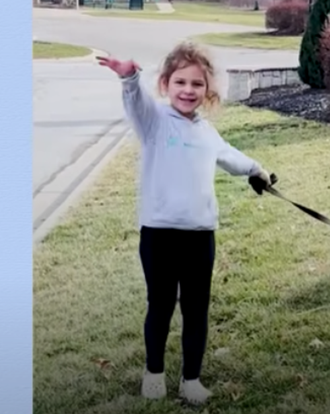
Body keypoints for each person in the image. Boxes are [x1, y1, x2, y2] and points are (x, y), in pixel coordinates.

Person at [97, 43, 272, 405]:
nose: (188, 90)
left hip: (199, 237)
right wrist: (129, 77)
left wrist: (257, 170)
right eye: (180, 82)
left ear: (207, 91)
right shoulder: (154, 122)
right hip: (159, 236)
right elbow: (135, 102)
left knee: (196, 309)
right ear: (165, 83)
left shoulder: (206, 131)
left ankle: (191, 379)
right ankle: (154, 373)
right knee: (160, 305)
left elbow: (230, 156)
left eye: (196, 84)